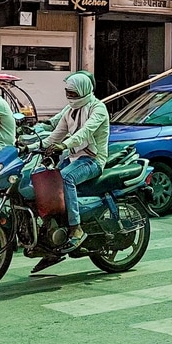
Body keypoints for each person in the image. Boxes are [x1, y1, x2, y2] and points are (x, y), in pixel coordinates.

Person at [45, 72, 109, 252]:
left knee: (66, 177)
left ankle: (76, 228)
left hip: (93, 159)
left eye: (73, 93)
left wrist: (64, 145)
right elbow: (54, 135)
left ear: (83, 90)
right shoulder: (70, 110)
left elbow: (85, 132)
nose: (70, 97)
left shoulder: (98, 108)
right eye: (68, 93)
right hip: (74, 157)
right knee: (47, 177)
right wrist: (29, 146)